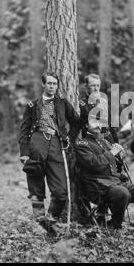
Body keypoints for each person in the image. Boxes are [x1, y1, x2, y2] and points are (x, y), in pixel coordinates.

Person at [74, 119, 134, 229]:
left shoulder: (105, 142)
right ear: (86, 125)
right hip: (98, 187)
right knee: (122, 193)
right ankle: (115, 225)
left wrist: (120, 157)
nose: (98, 124)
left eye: (100, 122)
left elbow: (112, 168)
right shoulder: (82, 144)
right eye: (94, 121)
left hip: (115, 183)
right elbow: (94, 164)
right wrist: (111, 153)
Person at [18, 72, 81, 233]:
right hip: (36, 145)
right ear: (43, 84)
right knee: (36, 187)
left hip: (57, 147)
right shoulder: (33, 105)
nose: (52, 86)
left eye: (55, 84)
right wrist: (24, 153)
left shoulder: (62, 103)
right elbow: (24, 131)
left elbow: (76, 122)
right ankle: (41, 223)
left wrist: (69, 139)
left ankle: (51, 220)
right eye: (49, 83)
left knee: (61, 191)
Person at [79, 73, 118, 143]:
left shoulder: (103, 102)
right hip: (92, 142)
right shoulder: (82, 105)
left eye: (98, 85)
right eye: (93, 85)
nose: (96, 89)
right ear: (86, 86)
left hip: (108, 140)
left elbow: (111, 125)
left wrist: (116, 143)